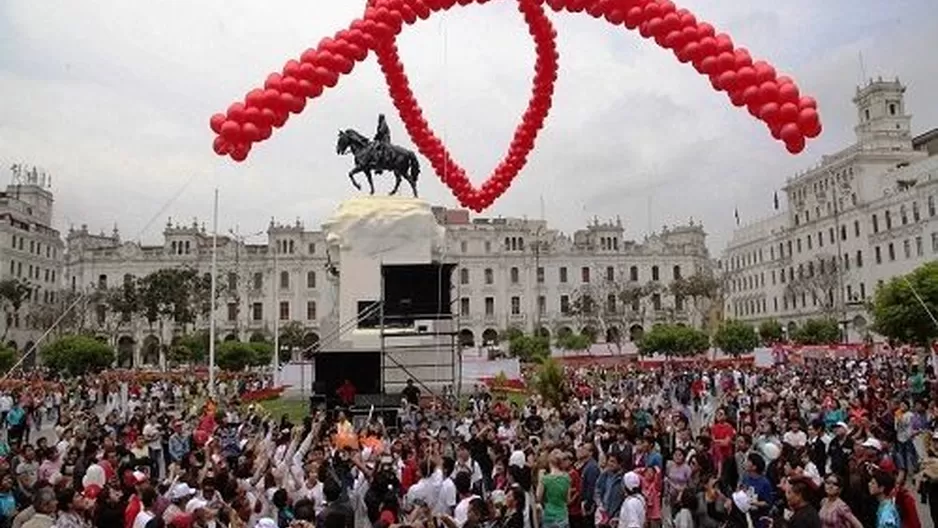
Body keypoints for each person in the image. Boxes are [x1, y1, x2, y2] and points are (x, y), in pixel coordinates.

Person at [536, 450, 570, 528]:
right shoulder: (567, 477)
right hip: (563, 515)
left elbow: (538, 497)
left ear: (549, 463)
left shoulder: (545, 479)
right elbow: (568, 500)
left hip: (549, 516)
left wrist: (540, 479)